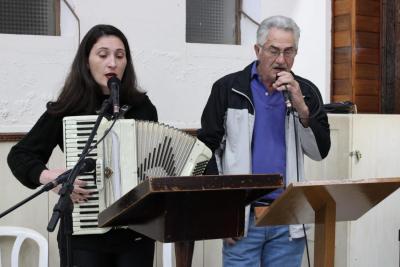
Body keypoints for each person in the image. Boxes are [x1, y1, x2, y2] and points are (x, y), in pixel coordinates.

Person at [7, 24, 157, 267]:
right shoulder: (68, 107)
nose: (112, 63)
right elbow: (20, 155)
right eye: (103, 54)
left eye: (120, 56)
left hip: (135, 231)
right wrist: (50, 178)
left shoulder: (142, 107)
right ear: (86, 61)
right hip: (84, 232)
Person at [197, 15, 331, 267]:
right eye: (274, 50)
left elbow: (319, 151)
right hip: (243, 218)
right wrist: (223, 212)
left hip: (287, 216)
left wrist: (302, 108)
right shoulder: (228, 89)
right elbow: (206, 152)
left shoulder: (306, 92)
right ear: (257, 50)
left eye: (289, 51)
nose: (281, 60)